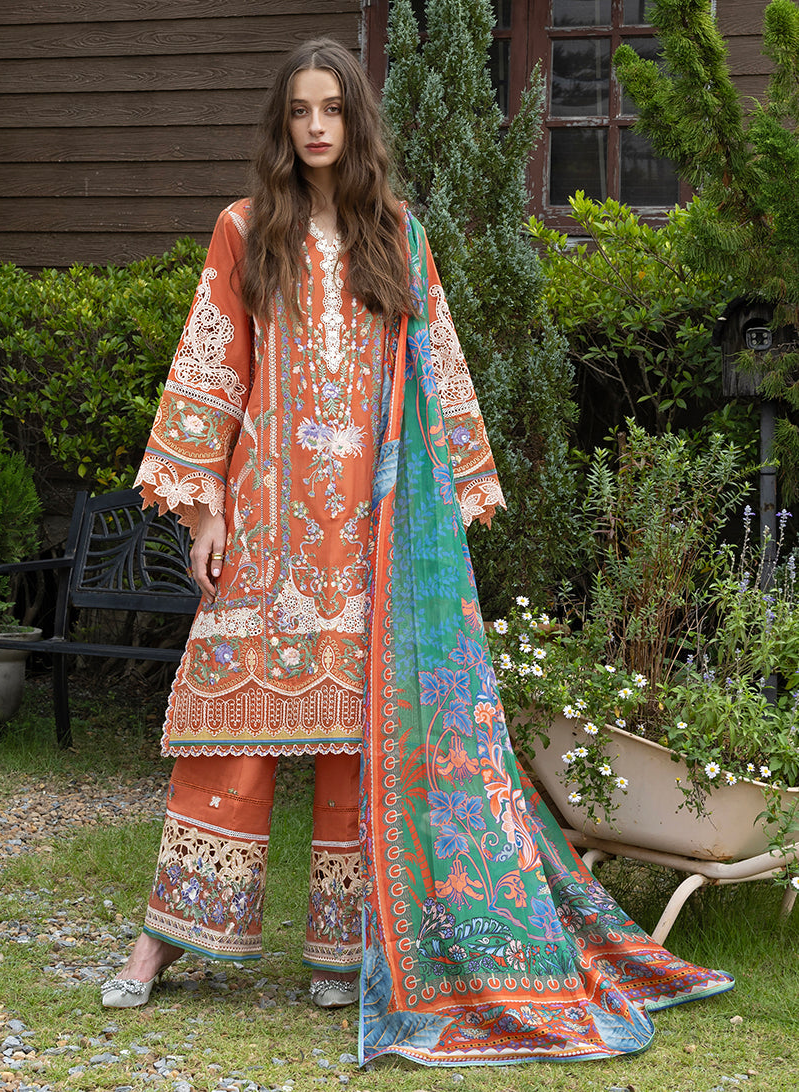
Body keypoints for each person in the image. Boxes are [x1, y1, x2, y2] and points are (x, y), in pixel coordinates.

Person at [103, 38, 734, 1066]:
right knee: (230, 726)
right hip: (267, 523)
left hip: (374, 529)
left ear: (356, 121)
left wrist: (460, 491)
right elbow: (212, 372)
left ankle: (341, 951)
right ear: (281, 124)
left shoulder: (399, 235)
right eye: (299, 110)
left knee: (364, 736)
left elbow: (436, 367)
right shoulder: (243, 229)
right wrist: (203, 507)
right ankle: (164, 937)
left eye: (332, 109)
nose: (316, 127)